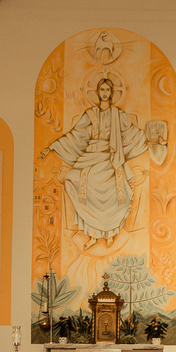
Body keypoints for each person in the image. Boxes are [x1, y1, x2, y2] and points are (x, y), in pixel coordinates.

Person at [39, 78, 149, 250]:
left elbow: (132, 132)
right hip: (91, 157)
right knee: (72, 180)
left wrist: (149, 137)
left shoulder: (118, 115)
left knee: (114, 189)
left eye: (107, 90)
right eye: (102, 90)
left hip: (110, 158)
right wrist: (52, 147)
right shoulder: (89, 114)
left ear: (112, 93)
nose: (104, 93)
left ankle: (110, 233)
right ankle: (92, 235)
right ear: (97, 92)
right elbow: (75, 134)